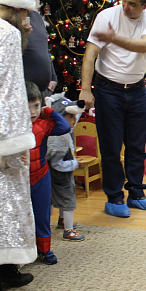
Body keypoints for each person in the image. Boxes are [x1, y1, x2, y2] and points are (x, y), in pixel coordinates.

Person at [79, 0, 146, 218]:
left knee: (137, 146)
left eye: (132, 4)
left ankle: (136, 194)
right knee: (111, 147)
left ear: (145, 5)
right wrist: (86, 89)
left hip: (136, 90)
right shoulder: (106, 16)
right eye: (124, 0)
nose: (125, 7)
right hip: (108, 90)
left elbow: (144, 46)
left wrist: (114, 39)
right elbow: (90, 55)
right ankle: (115, 198)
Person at [0, 0, 37, 291]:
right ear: (18, 10)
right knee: (2, 209)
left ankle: (3, 274)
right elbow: (5, 96)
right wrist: (13, 145)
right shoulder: (4, 34)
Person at [27, 81, 71, 264]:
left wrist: (48, 110)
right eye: (27, 107)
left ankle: (44, 250)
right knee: (22, 217)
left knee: (43, 215)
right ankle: (23, 254)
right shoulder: (13, 128)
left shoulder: (43, 124)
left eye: (36, 106)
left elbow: (64, 127)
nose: (32, 112)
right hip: (20, 179)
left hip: (41, 176)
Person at [46, 95, 87, 242]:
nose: (74, 120)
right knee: (68, 200)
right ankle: (68, 231)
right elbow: (57, 164)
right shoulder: (57, 139)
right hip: (60, 175)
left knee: (63, 198)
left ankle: (62, 220)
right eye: (71, 117)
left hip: (63, 174)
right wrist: (76, 164)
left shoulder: (62, 129)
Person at [21, 0, 57, 96]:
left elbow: (44, 49)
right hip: (24, 92)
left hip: (43, 91)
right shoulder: (10, 20)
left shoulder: (36, 17)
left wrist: (53, 76)